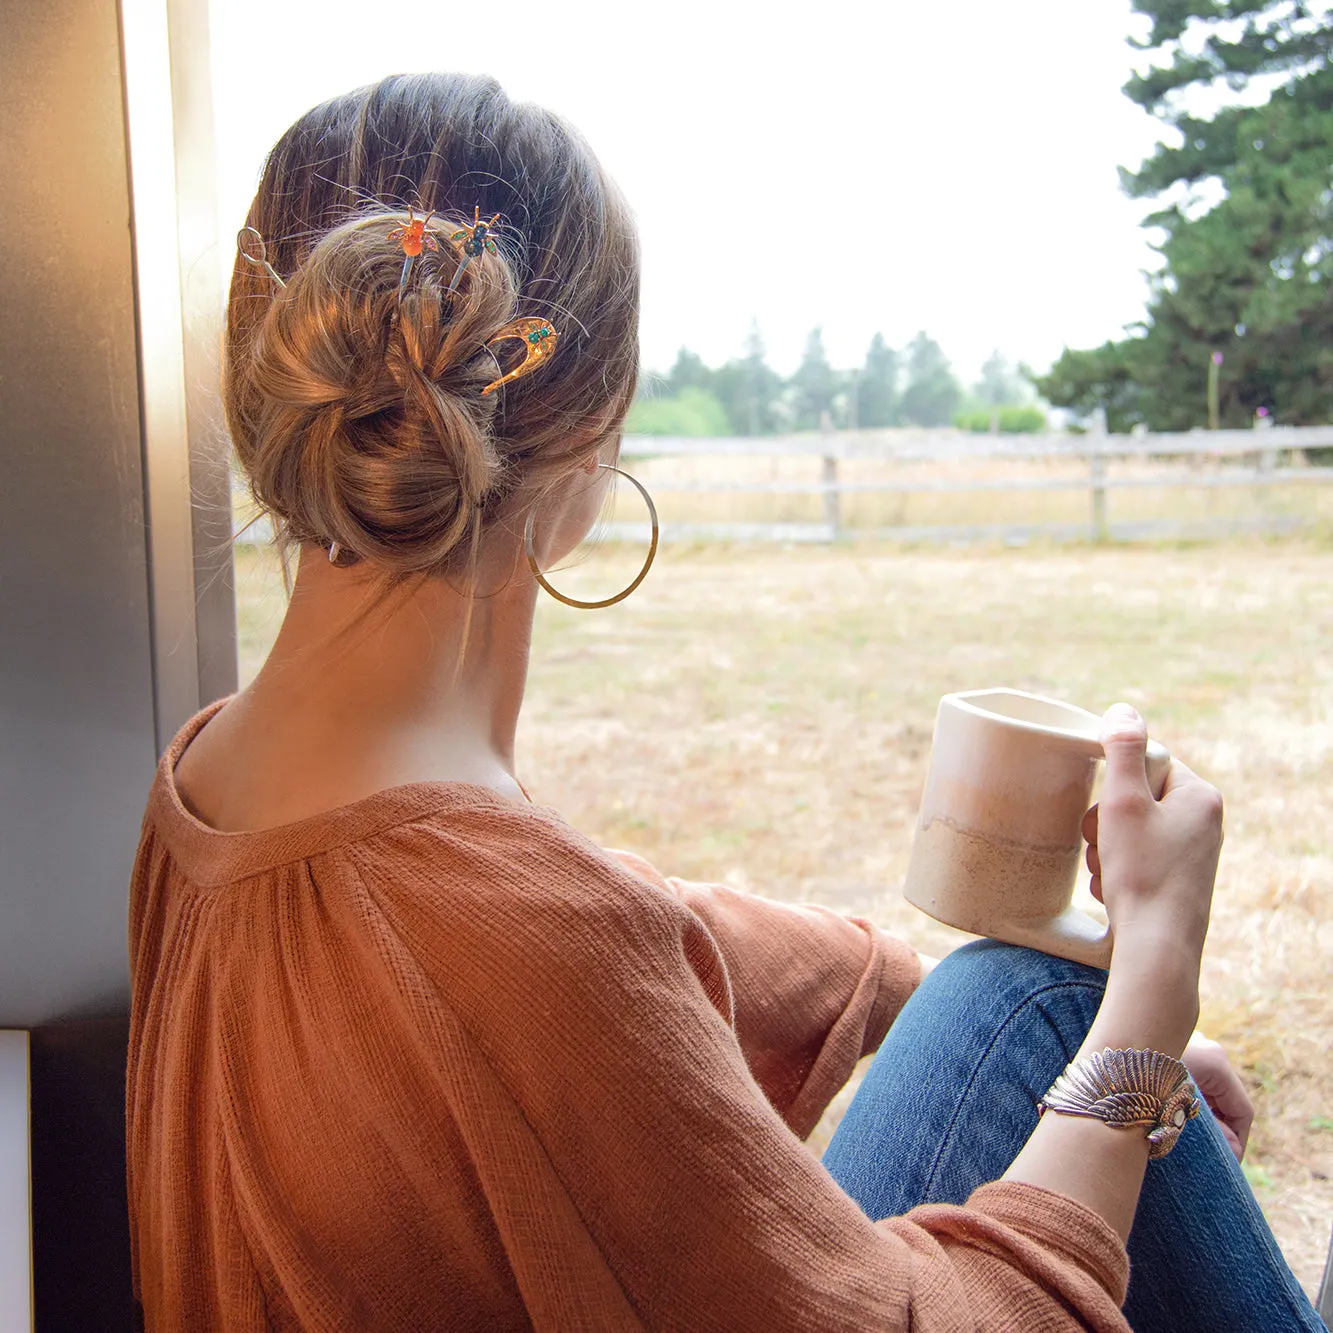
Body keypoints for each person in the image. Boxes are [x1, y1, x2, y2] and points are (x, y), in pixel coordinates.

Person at [125, 72, 1327, 1331]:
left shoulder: (204, 783)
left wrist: (897, 974)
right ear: (595, 424)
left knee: (1009, 994)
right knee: (1059, 1013)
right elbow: (546, 956)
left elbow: (593, 933)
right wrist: (1144, 1000)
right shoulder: (521, 946)